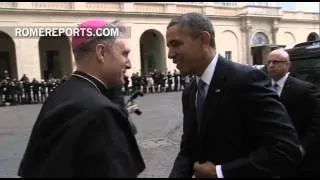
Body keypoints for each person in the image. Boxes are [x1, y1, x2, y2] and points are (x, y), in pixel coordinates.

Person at [166, 12, 302, 178]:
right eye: (169, 47)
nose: (170, 54)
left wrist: (220, 172)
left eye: (176, 44)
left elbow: (285, 149)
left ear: (203, 40)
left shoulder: (246, 80)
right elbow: (188, 150)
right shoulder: (190, 92)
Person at [17, 19, 145, 178]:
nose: (129, 64)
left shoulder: (60, 93)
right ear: (101, 53)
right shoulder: (102, 111)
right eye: (124, 54)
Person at [266, 49, 320, 177]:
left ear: (288, 65)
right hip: (270, 153)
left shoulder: (305, 89)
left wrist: (303, 146)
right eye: (268, 62)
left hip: (298, 156)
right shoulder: (262, 87)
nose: (271, 65)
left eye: (276, 62)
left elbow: (316, 123)